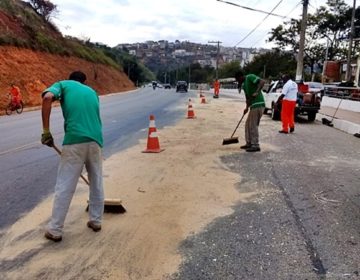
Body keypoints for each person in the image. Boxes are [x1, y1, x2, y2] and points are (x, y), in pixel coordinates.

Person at [41, 71, 104, 242]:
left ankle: (55, 230)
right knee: (96, 182)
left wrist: (46, 131)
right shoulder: (92, 92)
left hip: (75, 140)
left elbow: (47, 98)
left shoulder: (63, 85)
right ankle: (96, 221)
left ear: (70, 80)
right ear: (84, 81)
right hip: (96, 140)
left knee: (65, 184)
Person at [235, 70, 265, 152]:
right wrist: (246, 108)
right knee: (247, 124)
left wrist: (257, 92)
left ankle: (255, 145)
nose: (238, 82)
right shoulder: (244, 85)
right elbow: (247, 99)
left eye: (238, 80)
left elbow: (262, 81)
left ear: (241, 77)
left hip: (258, 104)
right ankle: (249, 143)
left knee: (253, 125)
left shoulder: (250, 77)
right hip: (253, 106)